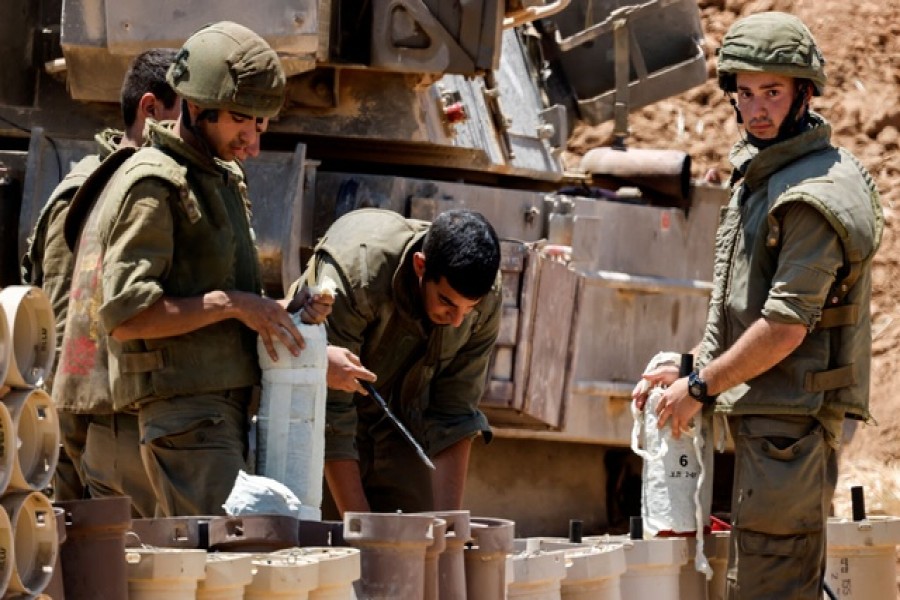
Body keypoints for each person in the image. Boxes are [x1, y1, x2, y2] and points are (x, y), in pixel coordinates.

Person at [632, 12, 883, 599]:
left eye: (772, 92)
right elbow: (742, 306)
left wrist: (699, 388)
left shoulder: (812, 194)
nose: (757, 109)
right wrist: (693, 367)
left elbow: (783, 327)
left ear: (804, 93)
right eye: (745, 94)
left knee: (771, 588)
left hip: (789, 426)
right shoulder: (767, 172)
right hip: (764, 415)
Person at [80, 21, 330, 517]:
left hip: (223, 412)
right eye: (242, 120)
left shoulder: (217, 178)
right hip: (187, 418)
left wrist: (283, 310)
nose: (252, 142)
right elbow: (127, 316)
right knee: (227, 572)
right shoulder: (153, 182)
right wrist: (234, 304)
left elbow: (219, 304)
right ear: (196, 106)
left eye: (261, 124)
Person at [22, 48, 180, 511]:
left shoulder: (150, 189)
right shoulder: (90, 193)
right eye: (186, 113)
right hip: (93, 439)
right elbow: (60, 338)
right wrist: (65, 463)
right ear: (150, 110)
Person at [292, 207, 502, 517]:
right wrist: (363, 531)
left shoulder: (484, 293)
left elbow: (454, 413)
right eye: (446, 302)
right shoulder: (358, 273)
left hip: (400, 424)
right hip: (314, 423)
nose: (458, 321)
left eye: (468, 309)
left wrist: (449, 532)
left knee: (420, 541)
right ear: (421, 266)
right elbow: (331, 412)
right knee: (325, 542)